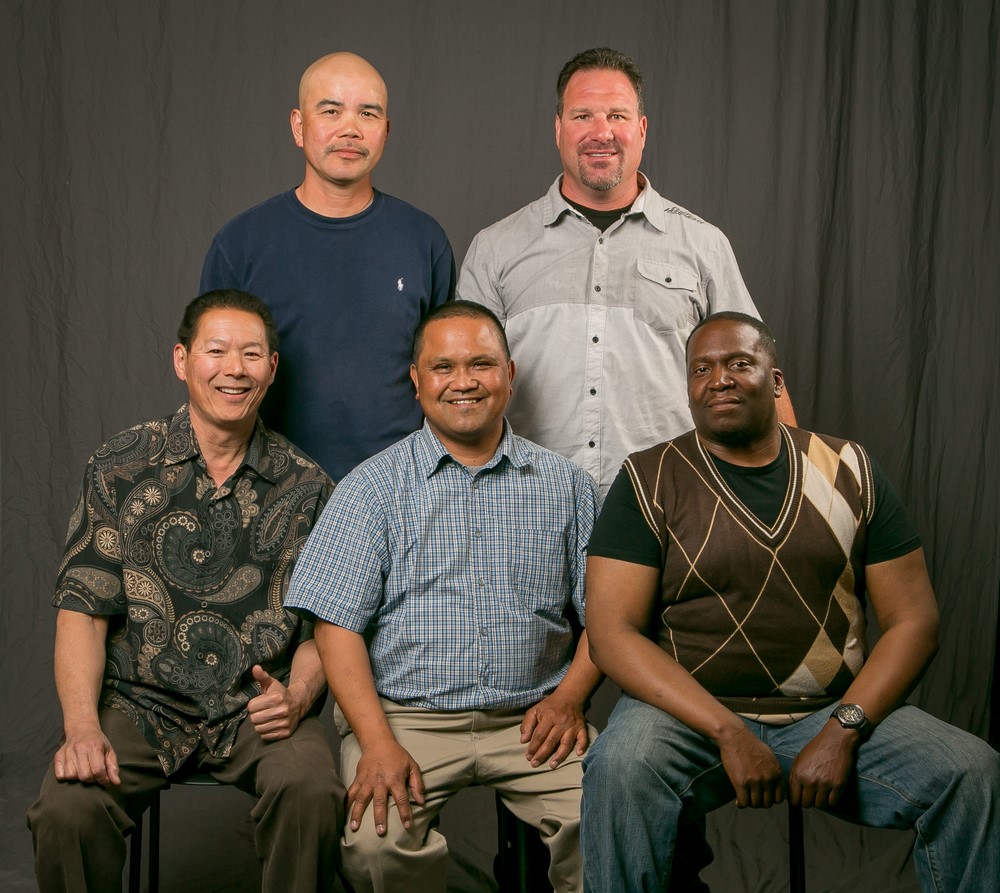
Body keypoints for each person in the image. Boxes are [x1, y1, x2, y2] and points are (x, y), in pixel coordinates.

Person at [581, 312, 1000, 892]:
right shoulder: (648, 478)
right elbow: (611, 633)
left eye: (738, 363)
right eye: (701, 369)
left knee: (970, 771)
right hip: (687, 720)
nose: (718, 379)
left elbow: (914, 621)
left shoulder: (851, 468)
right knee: (619, 768)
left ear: (776, 383)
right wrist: (728, 731)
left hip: (828, 712)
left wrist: (843, 729)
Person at [27, 290, 345, 893]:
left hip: (257, 709)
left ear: (272, 370)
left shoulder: (308, 486)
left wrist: (299, 696)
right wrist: (81, 728)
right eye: (217, 351)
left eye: (252, 354)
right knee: (67, 810)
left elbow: (323, 628)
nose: (235, 368)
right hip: (137, 705)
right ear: (182, 360)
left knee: (313, 791)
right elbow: (82, 611)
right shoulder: (120, 465)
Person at [285, 301, 601, 893]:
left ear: (510, 373)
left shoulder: (568, 486)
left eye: (480, 364)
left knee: (614, 818)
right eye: (443, 367)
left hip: (534, 719)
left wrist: (570, 699)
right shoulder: (371, 487)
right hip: (406, 720)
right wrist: (376, 742)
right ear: (416, 379)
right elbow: (334, 627)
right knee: (376, 847)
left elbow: (609, 620)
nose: (463, 382)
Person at [458, 47, 795, 495]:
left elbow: (757, 373)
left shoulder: (703, 245)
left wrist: (793, 487)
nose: (602, 133)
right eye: (582, 116)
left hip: (672, 502)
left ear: (641, 129)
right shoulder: (495, 248)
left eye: (617, 115)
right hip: (526, 506)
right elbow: (457, 387)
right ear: (558, 128)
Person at [201, 51, 455, 481]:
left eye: (368, 113)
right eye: (331, 111)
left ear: (386, 130)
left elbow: (443, 374)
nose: (350, 129)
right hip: (266, 489)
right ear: (299, 126)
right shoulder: (241, 243)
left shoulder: (423, 239)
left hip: (396, 490)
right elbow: (208, 379)